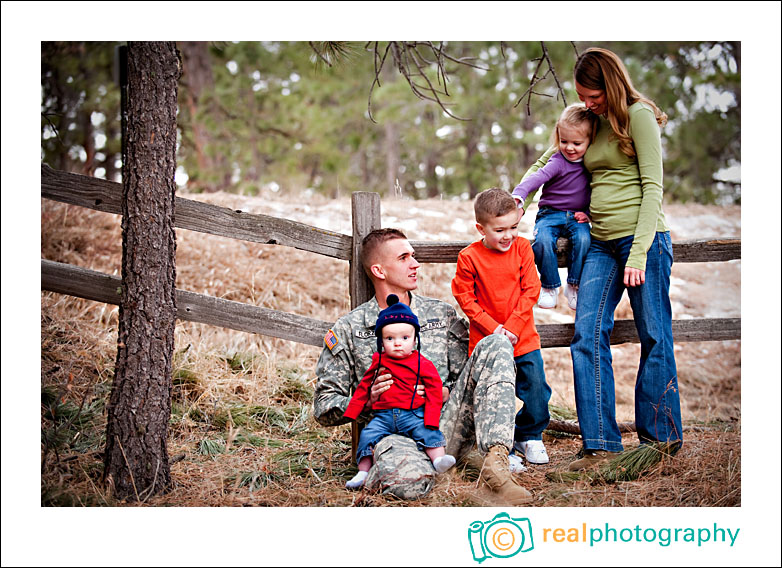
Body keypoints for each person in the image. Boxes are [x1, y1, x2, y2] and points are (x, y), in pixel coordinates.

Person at [524, 47, 682, 470]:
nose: (588, 104)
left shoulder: (639, 117)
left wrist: (640, 252)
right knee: (587, 335)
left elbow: (653, 188)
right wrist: (516, 198)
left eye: (593, 96)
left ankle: (660, 441)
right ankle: (599, 445)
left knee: (654, 335)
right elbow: (551, 157)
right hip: (599, 242)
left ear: (610, 85)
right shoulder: (588, 118)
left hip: (641, 242)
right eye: (583, 97)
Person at [313, 228, 532, 503]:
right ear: (379, 271)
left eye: (413, 256)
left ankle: (496, 463)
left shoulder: (440, 314)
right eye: (404, 258)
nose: (415, 264)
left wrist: (445, 393)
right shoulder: (350, 329)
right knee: (408, 486)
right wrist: (367, 401)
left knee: (497, 344)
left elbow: (470, 376)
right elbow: (323, 406)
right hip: (395, 432)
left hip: (450, 422)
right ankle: (441, 466)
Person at [451, 188, 552, 467]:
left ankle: (529, 435)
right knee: (494, 397)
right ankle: (499, 446)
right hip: (487, 344)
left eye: (514, 227)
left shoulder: (522, 248)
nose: (508, 235)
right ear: (480, 228)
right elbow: (465, 298)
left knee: (537, 391)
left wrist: (513, 326)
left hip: (523, 338)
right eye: (499, 230)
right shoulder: (469, 257)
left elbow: (532, 289)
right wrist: (493, 328)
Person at [342, 294, 456, 489]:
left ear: (414, 340)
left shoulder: (422, 363)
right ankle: (362, 472)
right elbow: (363, 387)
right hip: (383, 416)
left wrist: (430, 417)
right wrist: (354, 410)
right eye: (389, 338)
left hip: (413, 414)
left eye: (404, 338)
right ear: (381, 341)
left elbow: (435, 389)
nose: (397, 343)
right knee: (368, 434)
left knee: (428, 432)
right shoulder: (379, 361)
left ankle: (438, 460)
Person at [512, 103, 598, 310]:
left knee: (585, 239)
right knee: (541, 241)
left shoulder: (592, 164)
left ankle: (574, 284)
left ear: (590, 141)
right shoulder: (558, 160)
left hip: (577, 216)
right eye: (564, 141)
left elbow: (598, 191)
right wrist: (519, 195)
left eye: (577, 143)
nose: (569, 147)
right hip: (550, 214)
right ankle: (549, 285)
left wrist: (588, 214)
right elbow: (538, 177)